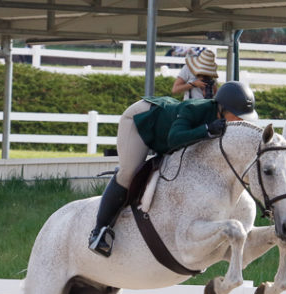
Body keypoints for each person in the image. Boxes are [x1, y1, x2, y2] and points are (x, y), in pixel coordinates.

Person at [87, 81, 258, 257]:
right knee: (128, 173)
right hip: (141, 120)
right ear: (221, 108)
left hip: (164, 124)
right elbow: (174, 139)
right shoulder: (193, 108)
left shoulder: (222, 119)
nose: (239, 121)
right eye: (236, 115)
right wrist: (206, 130)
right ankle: (99, 231)